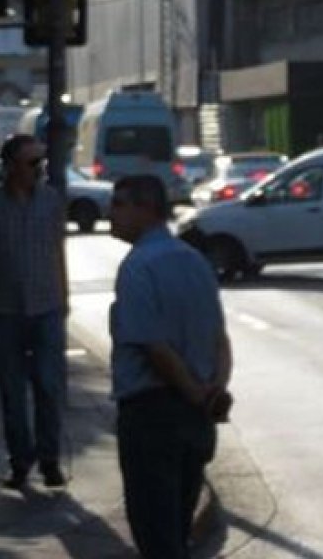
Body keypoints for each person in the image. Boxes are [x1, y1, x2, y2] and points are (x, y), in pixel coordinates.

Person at [108, 175, 232, 559]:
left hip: (152, 416)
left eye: (118, 204)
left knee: (156, 535)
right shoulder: (193, 261)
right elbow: (220, 340)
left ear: (144, 208)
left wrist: (193, 391)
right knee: (176, 530)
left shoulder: (138, 267)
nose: (110, 213)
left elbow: (153, 347)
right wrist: (213, 389)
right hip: (196, 419)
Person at [0, 135, 69, 490]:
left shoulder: (51, 201)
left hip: (47, 306)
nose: (40, 169)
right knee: (11, 390)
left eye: (42, 161)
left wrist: (65, 296)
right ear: (11, 166)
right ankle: (20, 460)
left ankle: (49, 459)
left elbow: (57, 249)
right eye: (32, 163)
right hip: (5, 310)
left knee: (49, 385)